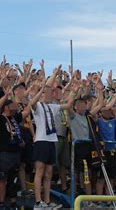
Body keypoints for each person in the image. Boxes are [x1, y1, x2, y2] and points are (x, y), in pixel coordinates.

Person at [30, 65, 75, 210]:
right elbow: (31, 103)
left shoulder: (53, 107)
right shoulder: (37, 106)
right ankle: (38, 202)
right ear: (42, 94)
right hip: (41, 140)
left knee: (49, 173)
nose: (50, 94)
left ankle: (47, 201)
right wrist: (54, 75)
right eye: (47, 92)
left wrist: (74, 90)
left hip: (51, 140)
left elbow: (68, 104)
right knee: (40, 170)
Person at [0, 88, 33, 210]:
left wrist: (29, 100)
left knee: (13, 179)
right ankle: (1, 203)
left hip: (15, 153)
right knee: (2, 178)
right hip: (3, 153)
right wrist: (5, 97)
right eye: (13, 104)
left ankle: (13, 203)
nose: (16, 105)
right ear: (6, 107)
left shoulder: (15, 117)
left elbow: (27, 111)